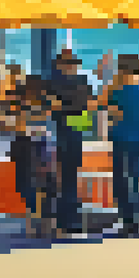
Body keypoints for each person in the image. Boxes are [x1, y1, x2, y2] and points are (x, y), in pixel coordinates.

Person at [100, 55, 139, 237]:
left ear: (123, 71)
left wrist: (111, 84)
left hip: (120, 139)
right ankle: (136, 221)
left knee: (121, 181)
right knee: (134, 180)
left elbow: (102, 104)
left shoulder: (117, 92)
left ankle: (127, 220)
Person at [46, 49, 94, 236]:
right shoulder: (83, 83)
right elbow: (87, 110)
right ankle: (69, 220)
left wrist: (63, 109)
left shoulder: (53, 84)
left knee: (63, 179)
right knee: (70, 178)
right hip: (74, 132)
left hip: (60, 132)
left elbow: (53, 108)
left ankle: (63, 221)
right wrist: (75, 110)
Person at [10, 71, 54, 238]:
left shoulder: (23, 107)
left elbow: (19, 128)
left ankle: (36, 223)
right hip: (43, 147)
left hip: (28, 147)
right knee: (43, 185)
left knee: (28, 185)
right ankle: (44, 223)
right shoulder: (47, 105)